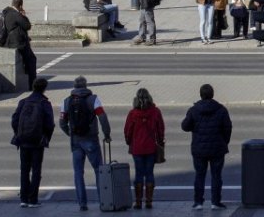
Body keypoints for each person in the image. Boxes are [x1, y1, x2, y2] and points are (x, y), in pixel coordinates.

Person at [60, 74, 113, 212]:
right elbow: (102, 117)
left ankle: (82, 204)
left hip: (75, 141)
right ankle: (103, 201)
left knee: (78, 172)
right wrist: (106, 134)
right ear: (86, 86)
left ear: (74, 86)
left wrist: (70, 133)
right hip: (91, 139)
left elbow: (61, 123)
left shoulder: (66, 101)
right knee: (98, 170)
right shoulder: (94, 99)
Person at [181, 83, 232, 211]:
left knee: (199, 175)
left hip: (199, 149)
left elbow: (185, 126)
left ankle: (198, 202)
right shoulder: (221, 110)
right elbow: (227, 128)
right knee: (216, 176)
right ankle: (216, 202)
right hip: (217, 148)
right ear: (212, 94)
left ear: (201, 95)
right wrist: (224, 142)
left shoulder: (194, 110)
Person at [12, 77, 54, 208]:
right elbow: (50, 124)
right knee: (36, 170)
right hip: (37, 141)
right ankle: (33, 199)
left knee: (24, 170)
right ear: (44, 88)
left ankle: (23, 198)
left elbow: (14, 120)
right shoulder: (44, 103)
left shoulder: (23, 101)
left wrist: (18, 134)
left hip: (23, 140)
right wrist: (45, 137)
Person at [123, 87, 165, 210]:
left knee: (139, 174)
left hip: (137, 148)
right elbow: (160, 129)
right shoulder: (155, 111)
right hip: (151, 147)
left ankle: (138, 201)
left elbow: (127, 130)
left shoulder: (133, 113)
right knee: (150, 173)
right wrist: (161, 142)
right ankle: (149, 201)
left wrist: (129, 141)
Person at [3, 0, 38, 88]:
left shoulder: (7, 12)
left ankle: (27, 77)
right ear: (21, 5)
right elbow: (27, 26)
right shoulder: (16, 14)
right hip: (18, 43)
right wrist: (23, 15)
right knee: (32, 60)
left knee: (27, 60)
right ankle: (32, 84)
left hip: (11, 41)